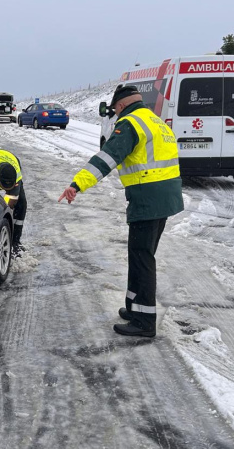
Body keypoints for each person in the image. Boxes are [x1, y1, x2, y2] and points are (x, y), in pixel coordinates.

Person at [58, 85, 183, 337]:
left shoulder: (130, 124)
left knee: (142, 257)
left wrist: (77, 184)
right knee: (139, 253)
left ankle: (145, 321)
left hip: (148, 198)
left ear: (122, 105)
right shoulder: (155, 121)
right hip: (165, 197)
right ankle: (134, 307)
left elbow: (107, 158)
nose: (115, 115)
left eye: (115, 110)